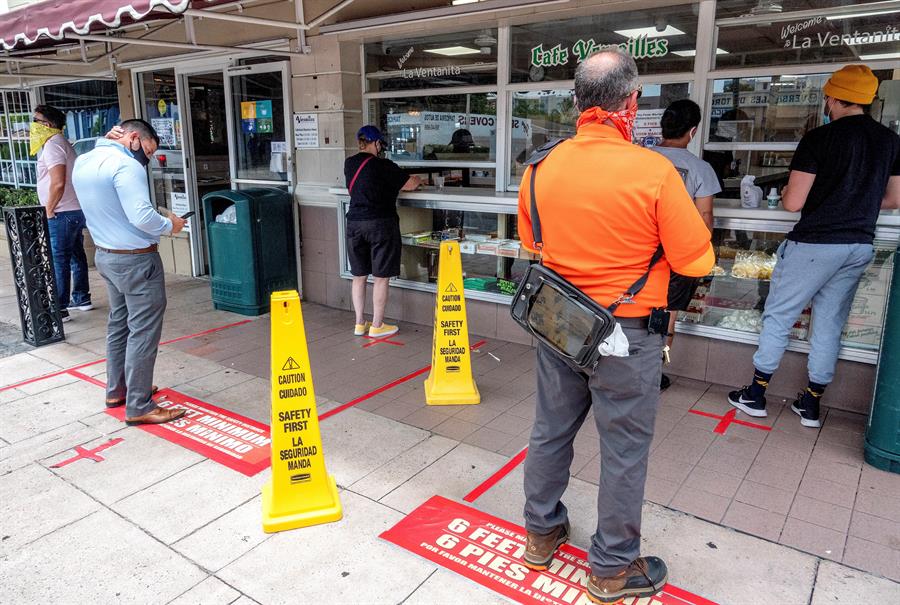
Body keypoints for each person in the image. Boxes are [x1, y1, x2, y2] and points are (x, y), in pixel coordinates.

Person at [517, 49, 714, 604]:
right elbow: (697, 259)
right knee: (624, 448)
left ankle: (540, 532)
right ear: (632, 102)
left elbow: (532, 244)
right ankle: (610, 568)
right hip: (629, 334)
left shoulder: (540, 167)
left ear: (577, 101)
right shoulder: (654, 171)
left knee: (550, 429)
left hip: (559, 323)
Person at [728, 65, 900, 428]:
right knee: (830, 323)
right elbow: (893, 199)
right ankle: (811, 403)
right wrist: (855, 202)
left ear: (833, 98)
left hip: (814, 245)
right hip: (858, 246)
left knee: (779, 315)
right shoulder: (890, 141)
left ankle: (755, 394)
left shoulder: (819, 138)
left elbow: (793, 203)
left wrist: (802, 195)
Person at [71, 120, 187, 426]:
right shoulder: (126, 165)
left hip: (107, 256)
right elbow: (142, 216)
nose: (147, 159)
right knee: (143, 331)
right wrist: (171, 225)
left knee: (119, 324)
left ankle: (118, 390)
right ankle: (139, 404)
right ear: (134, 137)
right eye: (147, 151)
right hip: (137, 261)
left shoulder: (85, 160)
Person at [652, 99, 721, 390]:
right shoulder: (700, 168)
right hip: (677, 255)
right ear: (692, 131)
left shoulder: (640, 158)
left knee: (632, 305)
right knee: (668, 313)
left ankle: (626, 364)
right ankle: (655, 372)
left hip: (637, 251)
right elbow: (705, 216)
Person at [343, 125, 421, 338]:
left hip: (354, 223)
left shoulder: (349, 163)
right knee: (380, 277)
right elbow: (410, 184)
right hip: (380, 224)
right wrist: (419, 179)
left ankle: (359, 323)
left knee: (359, 276)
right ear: (377, 143)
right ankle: (377, 325)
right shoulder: (384, 166)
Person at [31, 104, 92, 322]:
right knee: (75, 255)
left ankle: (60, 308)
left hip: (62, 212)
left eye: (35, 121)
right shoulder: (60, 142)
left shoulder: (53, 145)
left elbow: (58, 182)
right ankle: (81, 298)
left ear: (47, 124)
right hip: (71, 209)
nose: (32, 126)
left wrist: (49, 210)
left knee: (59, 259)